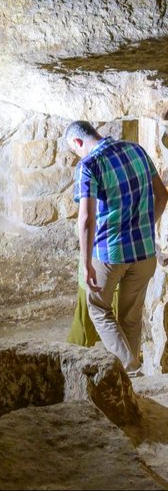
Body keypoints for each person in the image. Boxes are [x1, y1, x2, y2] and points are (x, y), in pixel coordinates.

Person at [65, 120, 168, 376]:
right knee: (130, 318)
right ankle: (130, 382)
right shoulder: (137, 150)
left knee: (98, 309)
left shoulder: (88, 166)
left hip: (110, 254)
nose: (77, 154)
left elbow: (87, 219)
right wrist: (146, 226)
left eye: (74, 149)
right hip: (144, 254)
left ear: (78, 142)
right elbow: (163, 195)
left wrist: (87, 263)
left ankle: (131, 369)